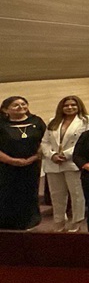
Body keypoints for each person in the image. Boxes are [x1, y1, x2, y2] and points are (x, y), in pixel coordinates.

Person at [41, 96, 89, 232]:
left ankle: (76, 222)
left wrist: (66, 154)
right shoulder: (53, 121)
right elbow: (45, 142)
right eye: (66, 105)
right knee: (56, 195)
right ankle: (59, 221)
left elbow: (85, 142)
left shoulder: (87, 120)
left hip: (73, 162)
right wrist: (52, 155)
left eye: (73, 105)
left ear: (79, 106)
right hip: (53, 163)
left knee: (77, 194)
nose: (70, 108)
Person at [0, 96, 46, 229]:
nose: (21, 107)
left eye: (23, 104)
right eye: (16, 105)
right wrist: (11, 160)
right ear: (5, 109)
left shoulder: (37, 121)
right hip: (6, 166)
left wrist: (34, 157)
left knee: (29, 193)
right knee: (7, 194)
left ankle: (30, 222)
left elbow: (46, 142)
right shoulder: (1, 124)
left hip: (31, 165)